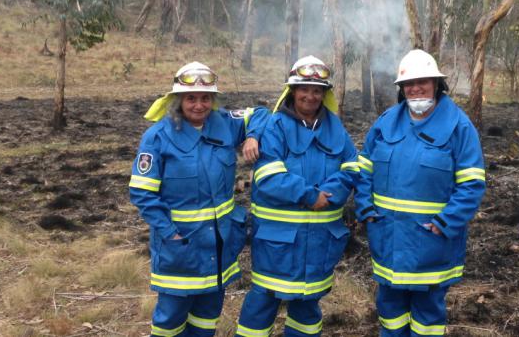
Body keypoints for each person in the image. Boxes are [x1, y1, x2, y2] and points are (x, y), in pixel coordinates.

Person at [129, 61, 267, 337]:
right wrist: (170, 234)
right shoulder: (157, 137)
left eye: (206, 98)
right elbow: (142, 193)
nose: (199, 105)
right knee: (170, 320)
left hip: (219, 244)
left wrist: (251, 136)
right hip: (180, 245)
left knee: (207, 316)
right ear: (178, 99)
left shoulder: (225, 123)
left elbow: (261, 114)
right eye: (191, 98)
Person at [355, 49, 486, 337]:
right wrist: (365, 209)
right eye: (409, 84)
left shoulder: (459, 126)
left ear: (437, 84)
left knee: (427, 316)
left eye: (422, 82)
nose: (415, 89)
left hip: (430, 243)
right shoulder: (386, 122)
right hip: (387, 238)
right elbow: (363, 168)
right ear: (401, 89)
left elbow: (472, 184)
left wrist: (445, 223)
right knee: (389, 311)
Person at [236, 56, 364, 337]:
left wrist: (332, 193)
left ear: (324, 94)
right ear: (293, 91)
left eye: (317, 90)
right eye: (304, 89)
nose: (310, 95)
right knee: (262, 303)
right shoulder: (275, 126)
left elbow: (352, 166)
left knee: (307, 306)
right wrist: (310, 196)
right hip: (277, 243)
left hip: (320, 242)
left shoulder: (335, 127)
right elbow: (269, 178)